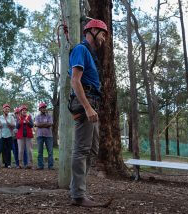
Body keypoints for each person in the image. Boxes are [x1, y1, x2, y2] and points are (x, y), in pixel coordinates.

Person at [68, 19, 107, 207]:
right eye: (102, 33)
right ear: (91, 30)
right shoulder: (81, 50)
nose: (104, 38)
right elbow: (75, 81)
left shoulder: (90, 54)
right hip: (86, 104)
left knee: (91, 150)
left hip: (93, 103)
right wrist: (87, 107)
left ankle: (79, 190)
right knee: (82, 149)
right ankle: (78, 195)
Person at [0, 104, 15, 168]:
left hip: (9, 135)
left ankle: (8, 164)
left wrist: (9, 124)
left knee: (8, 150)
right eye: (5, 109)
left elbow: (13, 126)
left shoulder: (11, 117)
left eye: (8, 109)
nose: (7, 110)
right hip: (1, 136)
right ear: (3, 110)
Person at [34, 102, 54, 170]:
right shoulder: (37, 116)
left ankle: (50, 166)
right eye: (42, 107)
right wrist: (45, 124)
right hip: (40, 135)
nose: (44, 109)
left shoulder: (49, 116)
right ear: (39, 109)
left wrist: (41, 124)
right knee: (40, 151)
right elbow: (37, 125)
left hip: (49, 136)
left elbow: (50, 124)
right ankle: (40, 166)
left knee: (50, 151)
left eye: (44, 107)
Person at [16, 105, 34, 169]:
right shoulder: (18, 117)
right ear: (21, 111)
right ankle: (20, 164)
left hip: (28, 136)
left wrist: (28, 121)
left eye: (25, 110)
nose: (24, 111)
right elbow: (17, 127)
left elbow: (32, 125)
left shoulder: (29, 117)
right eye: (23, 110)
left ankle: (30, 164)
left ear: (26, 111)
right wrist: (19, 121)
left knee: (29, 150)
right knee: (20, 150)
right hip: (20, 136)